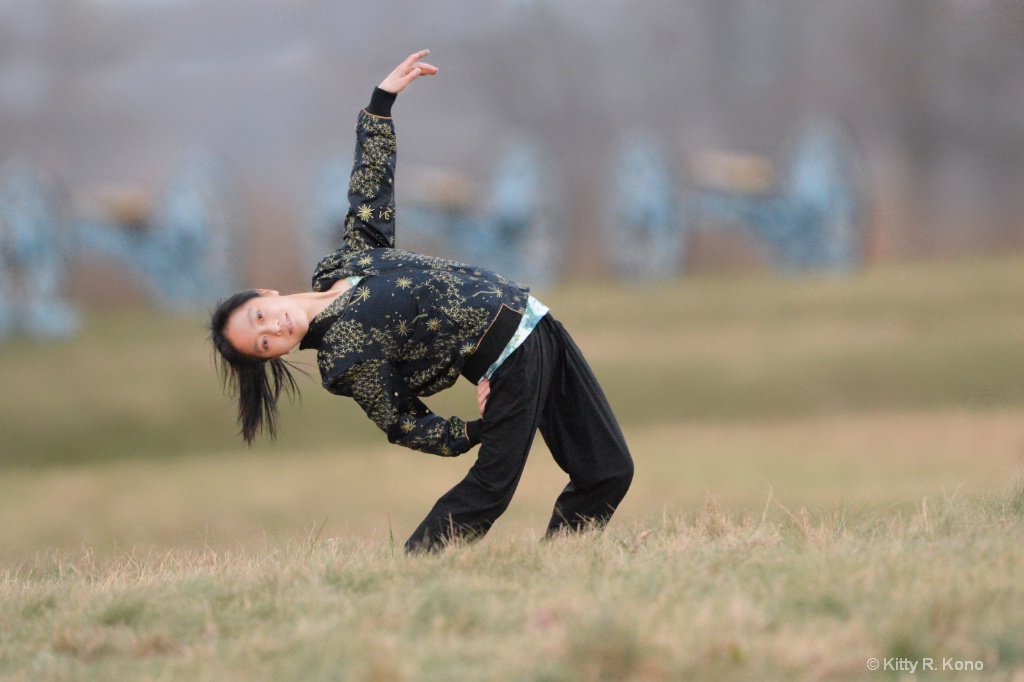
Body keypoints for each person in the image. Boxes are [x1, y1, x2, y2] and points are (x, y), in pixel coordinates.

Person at [209, 50, 633, 553]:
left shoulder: (348, 263)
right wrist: (476, 429)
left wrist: (381, 102)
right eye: (262, 345)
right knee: (489, 491)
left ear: (265, 294)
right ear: (273, 358)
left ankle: (563, 559)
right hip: (506, 358)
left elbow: (370, 190)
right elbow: (403, 421)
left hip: (535, 323)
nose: (272, 330)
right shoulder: (343, 359)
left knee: (608, 469)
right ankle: (414, 569)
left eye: (259, 317)